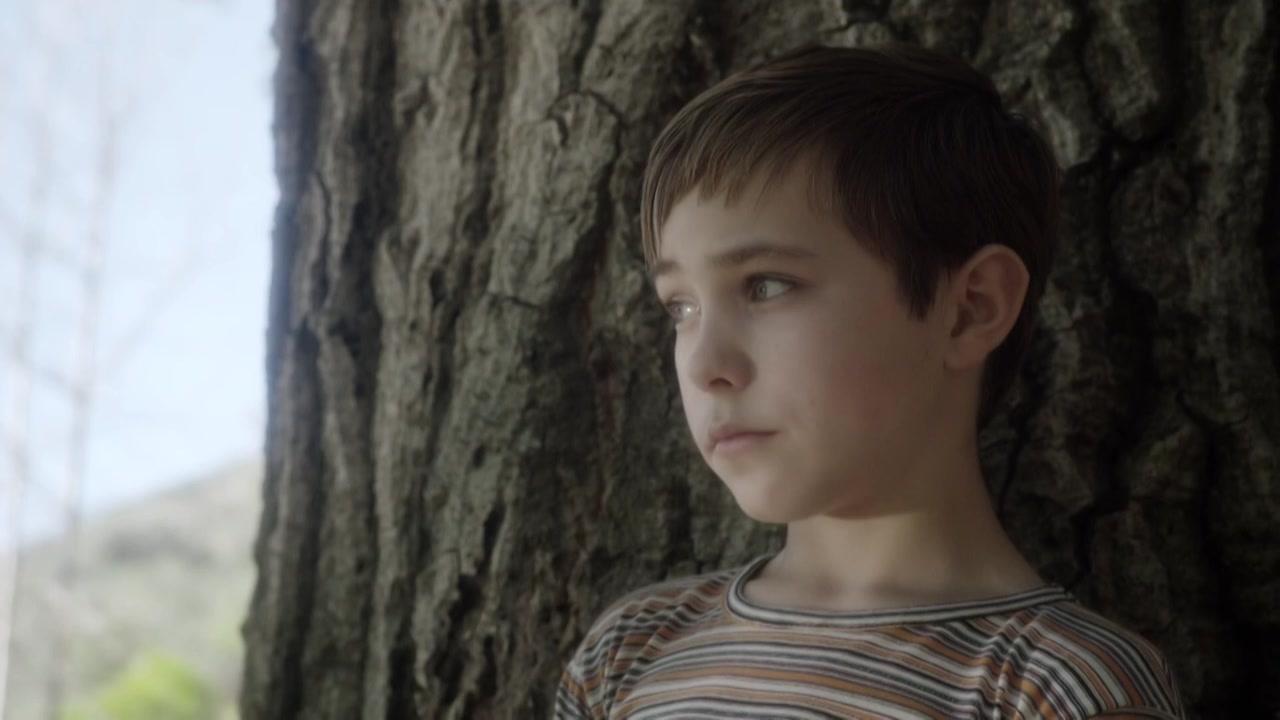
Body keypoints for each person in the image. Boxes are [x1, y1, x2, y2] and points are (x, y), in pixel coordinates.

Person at [555, 43, 1185, 719]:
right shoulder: (628, 651)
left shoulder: (1059, 689)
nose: (704, 364)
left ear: (970, 309)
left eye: (767, 285)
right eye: (681, 307)